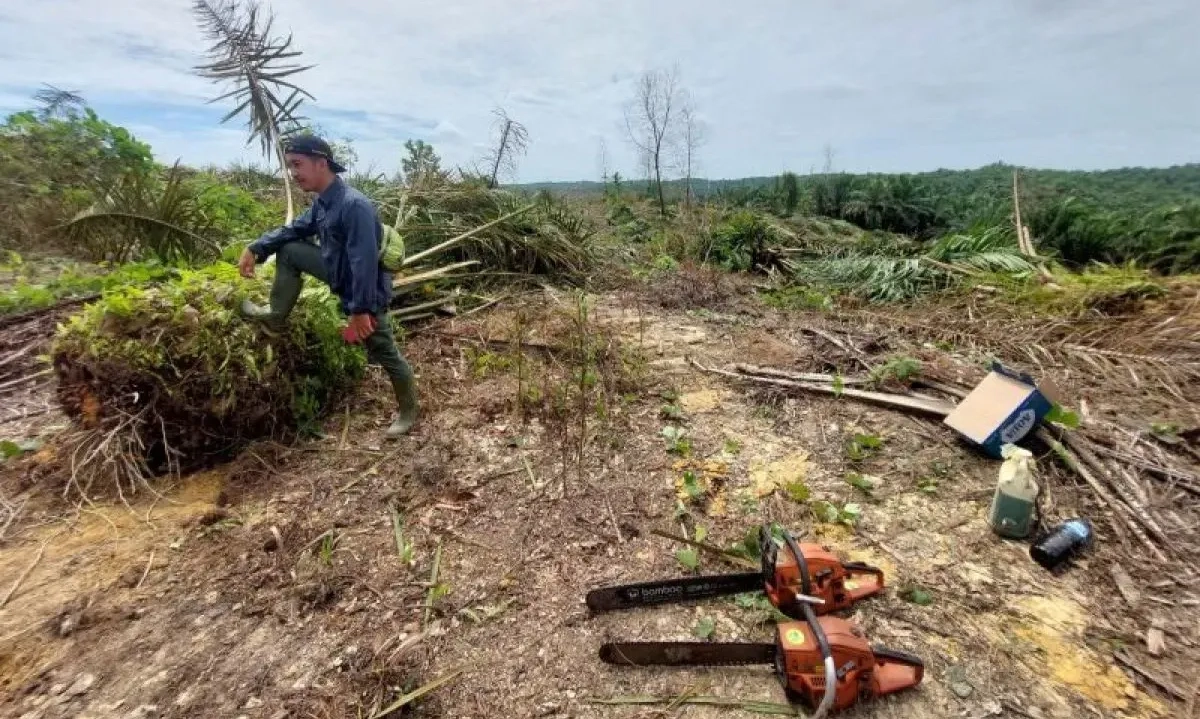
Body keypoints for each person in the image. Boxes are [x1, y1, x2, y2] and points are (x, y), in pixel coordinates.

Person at [237, 135, 418, 438]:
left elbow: (364, 264)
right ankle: (275, 314)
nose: (293, 173)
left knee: (385, 351)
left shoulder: (353, 206)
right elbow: (296, 229)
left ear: (322, 163)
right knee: (291, 249)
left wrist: (360, 310)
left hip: (365, 289)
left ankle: (409, 412)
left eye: (298, 164)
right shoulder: (323, 202)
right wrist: (256, 247)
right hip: (339, 274)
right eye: (289, 166)